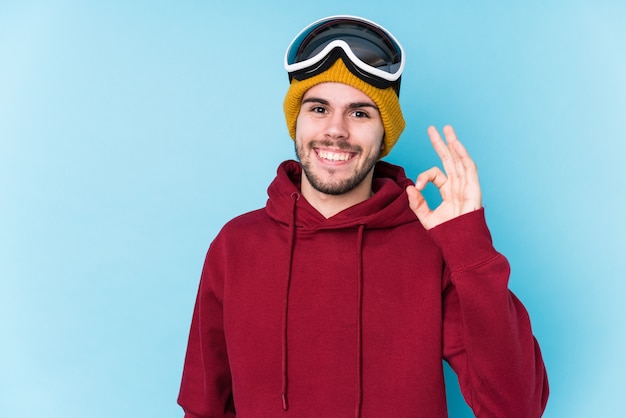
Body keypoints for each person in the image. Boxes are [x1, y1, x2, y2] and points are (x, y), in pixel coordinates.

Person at [178, 15, 549, 418]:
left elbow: (517, 407)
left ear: (384, 133)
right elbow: (205, 408)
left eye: (359, 113)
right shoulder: (236, 245)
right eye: (318, 108)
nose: (335, 130)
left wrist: (470, 248)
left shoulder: (432, 247)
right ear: (296, 122)